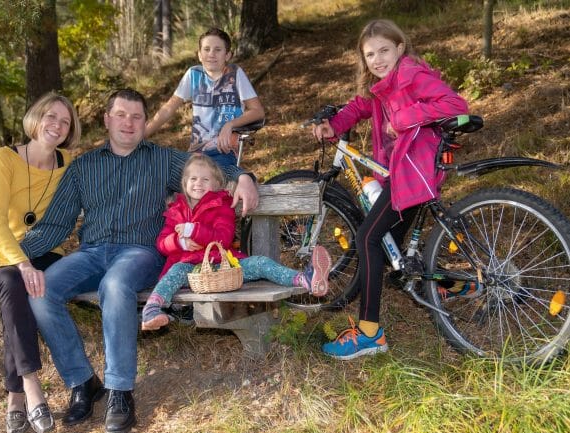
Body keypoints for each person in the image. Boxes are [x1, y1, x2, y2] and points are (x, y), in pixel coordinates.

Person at [17, 88, 259, 433]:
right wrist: (14, 254)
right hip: (91, 253)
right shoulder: (84, 167)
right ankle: (83, 382)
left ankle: (120, 391)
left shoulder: (160, 159)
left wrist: (244, 176)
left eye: (136, 116)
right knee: (42, 290)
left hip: (140, 252)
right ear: (106, 119)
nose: (128, 123)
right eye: (120, 115)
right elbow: (56, 224)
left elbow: (210, 169)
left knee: (114, 286)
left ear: (146, 123)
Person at [313, 19, 469, 360]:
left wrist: (402, 118)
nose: (377, 59)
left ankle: (370, 334)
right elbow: (358, 106)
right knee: (391, 252)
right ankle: (450, 284)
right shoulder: (382, 86)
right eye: (370, 55)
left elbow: (455, 105)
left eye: (384, 50)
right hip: (402, 173)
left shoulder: (411, 75)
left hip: (412, 174)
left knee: (368, 238)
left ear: (400, 48)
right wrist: (333, 126)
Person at [0, 92, 81, 433]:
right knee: (11, 283)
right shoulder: (5, 158)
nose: (57, 125)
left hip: (44, 253)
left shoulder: (68, 163)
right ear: (36, 118)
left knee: (22, 288)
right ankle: (30, 384)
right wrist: (19, 262)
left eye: (65, 121)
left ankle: (14, 398)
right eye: (51, 116)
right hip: (1, 257)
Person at [141, 153, 332, 330]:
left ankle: (305, 279)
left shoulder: (222, 206)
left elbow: (223, 239)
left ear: (216, 184)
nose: (198, 183)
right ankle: (152, 308)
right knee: (175, 271)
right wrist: (179, 242)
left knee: (260, 263)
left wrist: (194, 230)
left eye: (205, 179)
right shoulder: (176, 211)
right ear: (184, 182)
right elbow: (162, 244)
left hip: (225, 267)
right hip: (192, 272)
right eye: (193, 179)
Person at [144, 27, 265, 169]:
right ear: (199, 55)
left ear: (228, 55)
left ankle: (245, 184)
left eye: (218, 50)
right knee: (169, 175)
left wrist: (230, 124)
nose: (211, 54)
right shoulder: (193, 74)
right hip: (197, 151)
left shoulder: (235, 74)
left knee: (208, 181)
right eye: (206, 49)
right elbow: (169, 108)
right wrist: (144, 133)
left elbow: (257, 111)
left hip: (224, 150)